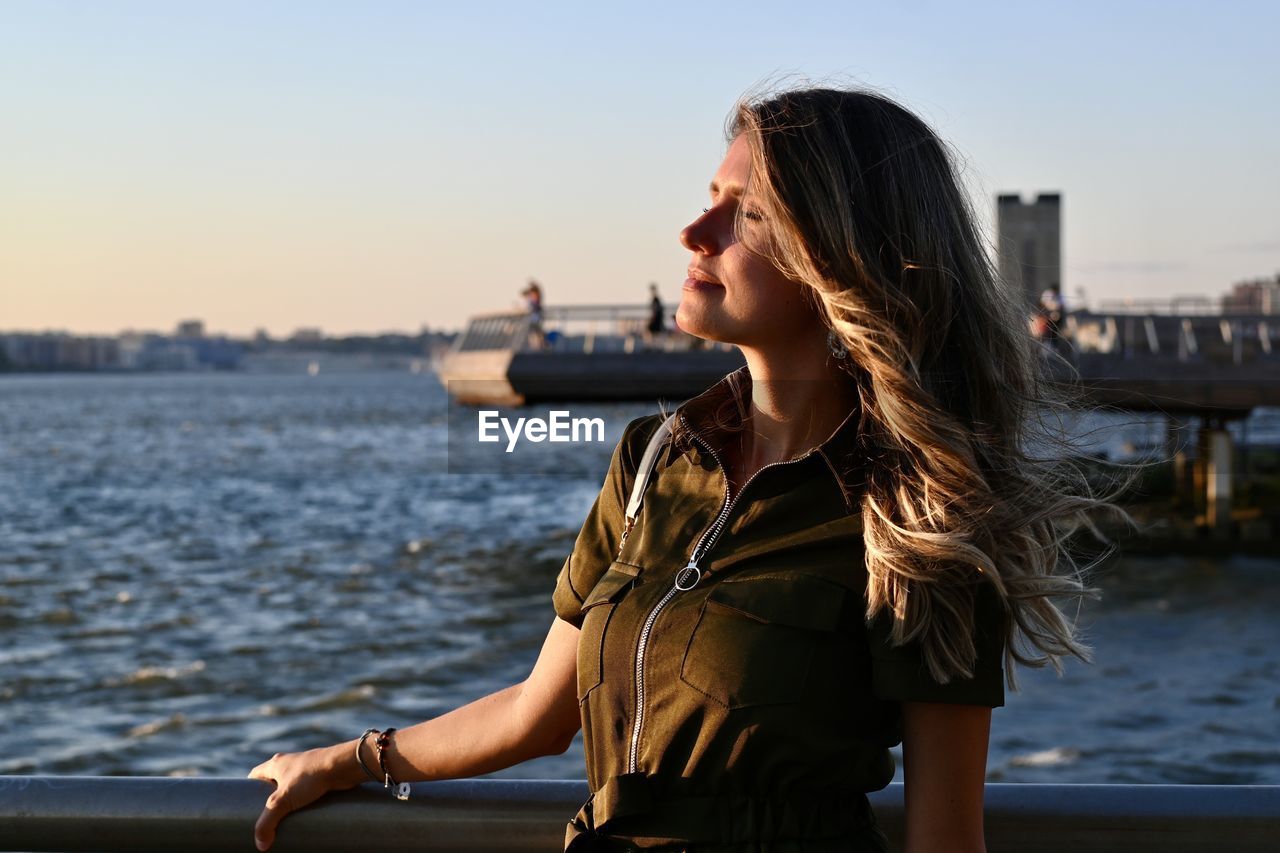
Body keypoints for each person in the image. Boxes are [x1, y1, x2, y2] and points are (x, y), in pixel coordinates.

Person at [249, 85, 1128, 852]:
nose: (692, 230)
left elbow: (943, 837)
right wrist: (352, 759)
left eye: (744, 214)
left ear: (841, 255)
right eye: (712, 196)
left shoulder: (917, 512)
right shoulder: (651, 461)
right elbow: (537, 713)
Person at [524, 278, 546, 349]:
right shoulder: (532, 300)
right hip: (532, 318)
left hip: (535, 318)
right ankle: (539, 345)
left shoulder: (536, 301)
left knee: (537, 332)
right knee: (535, 332)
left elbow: (536, 309)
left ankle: (542, 344)